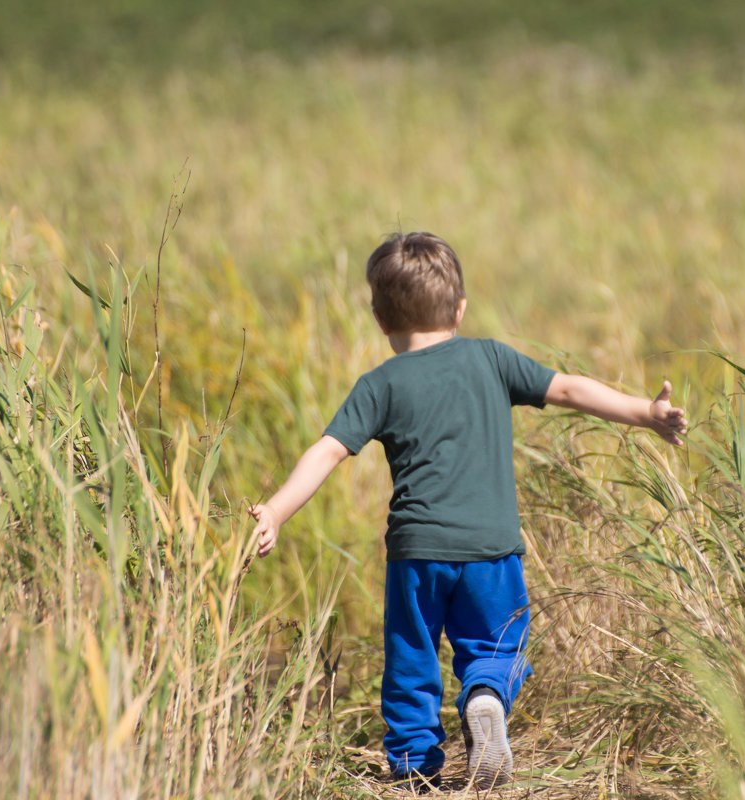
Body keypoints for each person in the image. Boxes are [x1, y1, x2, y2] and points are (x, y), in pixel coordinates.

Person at [248, 232, 687, 791]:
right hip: (491, 549)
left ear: (380, 319)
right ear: (459, 309)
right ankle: (484, 695)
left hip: (417, 555)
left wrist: (278, 511)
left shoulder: (379, 383)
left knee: (411, 661)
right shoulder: (491, 358)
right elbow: (571, 390)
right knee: (497, 646)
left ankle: (413, 771)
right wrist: (644, 413)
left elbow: (328, 450)